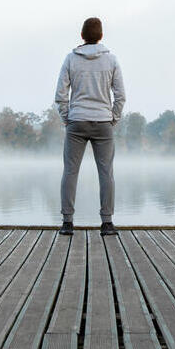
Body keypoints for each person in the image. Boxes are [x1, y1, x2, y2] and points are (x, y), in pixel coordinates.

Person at [54, 17, 125, 236]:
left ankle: (67, 223)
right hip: (103, 122)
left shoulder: (70, 59)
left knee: (70, 172)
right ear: (101, 35)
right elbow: (120, 95)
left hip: (77, 121)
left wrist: (68, 118)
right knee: (106, 174)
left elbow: (60, 95)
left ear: (82, 36)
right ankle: (107, 224)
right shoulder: (111, 60)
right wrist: (113, 118)